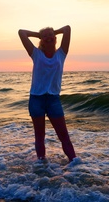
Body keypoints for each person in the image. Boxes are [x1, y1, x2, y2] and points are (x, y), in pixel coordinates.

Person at [18, 25, 76, 162]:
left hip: (53, 100)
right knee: (39, 136)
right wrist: (39, 34)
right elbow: (22, 32)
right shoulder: (35, 53)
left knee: (64, 136)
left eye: (51, 35)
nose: (48, 38)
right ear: (41, 40)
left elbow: (67, 28)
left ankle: (75, 165)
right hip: (36, 100)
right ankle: (41, 166)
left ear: (56, 39)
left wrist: (50, 33)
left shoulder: (62, 54)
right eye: (45, 36)